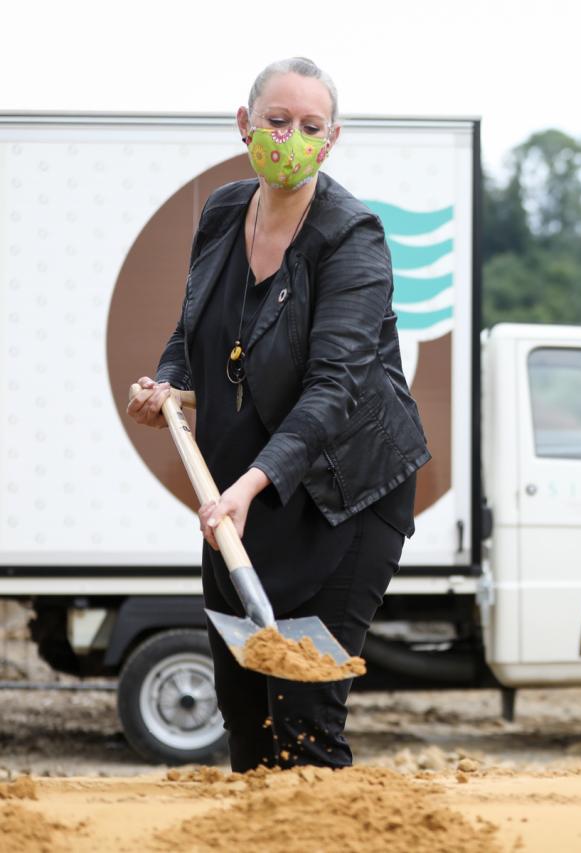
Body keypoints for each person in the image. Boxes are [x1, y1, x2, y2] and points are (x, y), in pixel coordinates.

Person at [126, 57, 430, 772]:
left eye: (310, 126)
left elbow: (334, 387)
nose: (291, 137)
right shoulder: (224, 211)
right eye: (277, 120)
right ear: (245, 124)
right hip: (238, 494)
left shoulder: (352, 238)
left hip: (341, 498)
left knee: (302, 716)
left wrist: (252, 485)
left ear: (331, 140)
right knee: (242, 716)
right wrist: (167, 385)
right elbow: (192, 330)